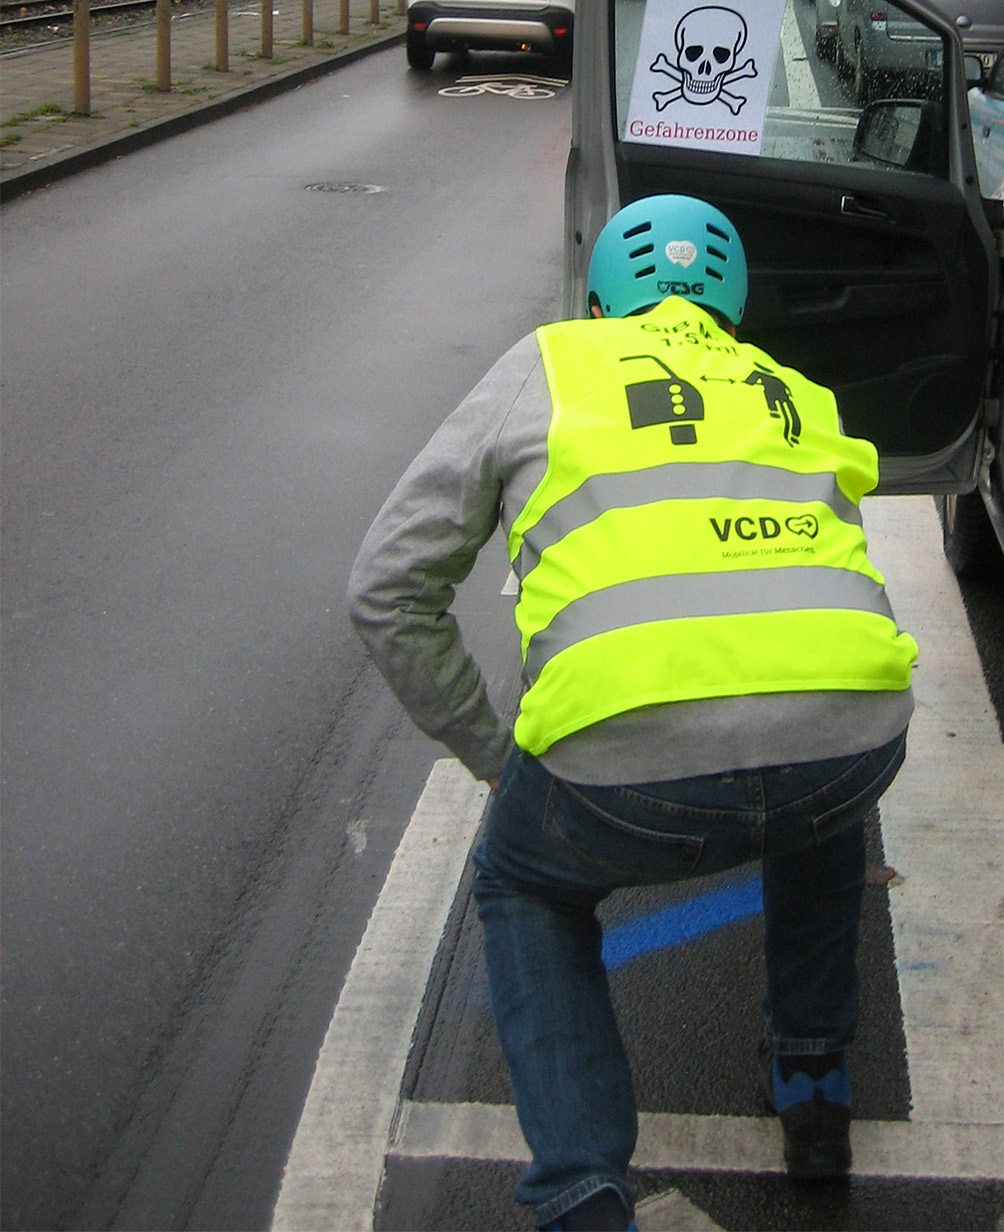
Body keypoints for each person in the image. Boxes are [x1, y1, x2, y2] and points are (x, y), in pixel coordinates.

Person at [349, 195, 917, 1232]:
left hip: (613, 763)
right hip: (853, 732)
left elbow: (386, 587)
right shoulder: (795, 391)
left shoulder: (548, 362)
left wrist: (488, 749)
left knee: (522, 881)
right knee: (820, 774)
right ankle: (811, 1083)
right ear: (733, 305)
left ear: (601, 295)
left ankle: (578, 1189)